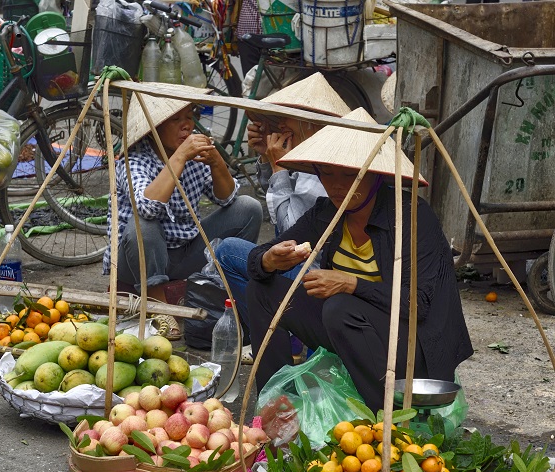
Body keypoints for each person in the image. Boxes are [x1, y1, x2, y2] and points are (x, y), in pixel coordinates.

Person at [246, 108, 474, 411]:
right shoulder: (325, 213)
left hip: (412, 346)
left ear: (375, 176)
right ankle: (277, 409)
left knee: (340, 307)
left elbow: (417, 305)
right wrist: (270, 260)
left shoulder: (409, 216)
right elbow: (256, 258)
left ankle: (386, 416)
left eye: (350, 175)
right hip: (351, 329)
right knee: (261, 292)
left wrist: (351, 283)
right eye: (327, 173)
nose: (338, 185)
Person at [214, 73, 350, 341]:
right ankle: (279, 334)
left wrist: (278, 167)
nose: (279, 128)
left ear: (310, 124)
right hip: (305, 262)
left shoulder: (323, 169)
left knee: (238, 256)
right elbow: (279, 203)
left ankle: (280, 335)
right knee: (238, 256)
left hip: (318, 268)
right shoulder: (307, 154)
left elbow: (294, 234)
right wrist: (267, 156)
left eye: (283, 121)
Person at [102, 83, 263, 303]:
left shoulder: (192, 149)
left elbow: (227, 198)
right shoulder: (134, 160)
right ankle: (157, 303)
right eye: (175, 120)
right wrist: (179, 157)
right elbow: (148, 208)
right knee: (144, 226)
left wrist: (217, 163)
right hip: (137, 262)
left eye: (189, 117)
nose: (186, 126)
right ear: (155, 127)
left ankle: (226, 284)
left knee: (248, 207)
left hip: (184, 252)